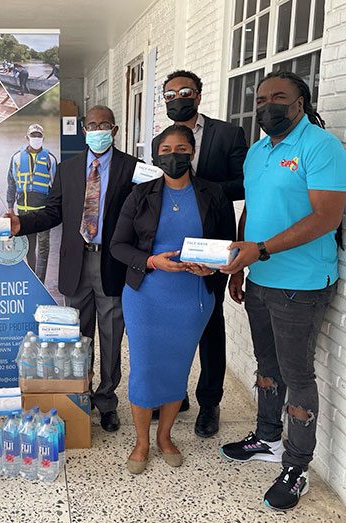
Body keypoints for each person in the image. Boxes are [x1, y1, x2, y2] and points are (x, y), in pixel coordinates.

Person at [219, 71, 346, 511]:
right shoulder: (257, 152)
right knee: (266, 365)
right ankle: (267, 436)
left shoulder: (320, 147)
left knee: (297, 376)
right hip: (259, 278)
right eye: (261, 99)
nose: (267, 105)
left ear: (301, 102)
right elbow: (253, 210)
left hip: (301, 284)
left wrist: (261, 249)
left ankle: (297, 466)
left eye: (279, 97)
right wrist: (241, 265)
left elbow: (325, 217)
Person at [110, 125, 236, 474]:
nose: (173, 154)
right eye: (165, 148)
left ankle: (165, 436)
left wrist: (213, 269)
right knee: (145, 368)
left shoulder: (213, 194)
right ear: (156, 155)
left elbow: (228, 245)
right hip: (147, 294)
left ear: (192, 152)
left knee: (177, 369)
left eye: (181, 147)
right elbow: (118, 245)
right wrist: (151, 261)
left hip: (192, 298)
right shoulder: (140, 195)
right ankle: (141, 442)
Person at [8, 106, 138, 433]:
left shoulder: (132, 168)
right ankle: (80, 395)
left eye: (104, 125)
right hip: (76, 263)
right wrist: (21, 222)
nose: (97, 130)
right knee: (78, 339)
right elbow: (52, 213)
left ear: (115, 129)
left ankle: (106, 401)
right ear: (83, 129)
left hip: (111, 263)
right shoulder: (67, 169)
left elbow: (141, 217)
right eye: (92, 125)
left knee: (110, 337)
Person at [154, 70, 248, 438]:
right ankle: (176, 393)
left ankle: (210, 402)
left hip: (211, 243)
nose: (178, 97)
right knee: (173, 323)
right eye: (170, 93)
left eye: (185, 91)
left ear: (199, 94)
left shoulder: (228, 134)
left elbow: (245, 182)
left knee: (210, 325)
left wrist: (204, 189)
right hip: (171, 246)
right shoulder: (160, 140)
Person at [6, 124, 58, 282]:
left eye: (38, 135)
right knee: (28, 246)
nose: (36, 138)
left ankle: (40, 280)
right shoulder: (16, 158)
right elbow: (11, 184)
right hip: (23, 212)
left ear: (43, 138)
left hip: (43, 213)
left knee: (43, 248)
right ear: (26, 137)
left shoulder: (50, 159)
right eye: (33, 135)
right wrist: (10, 208)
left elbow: (56, 187)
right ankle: (33, 277)